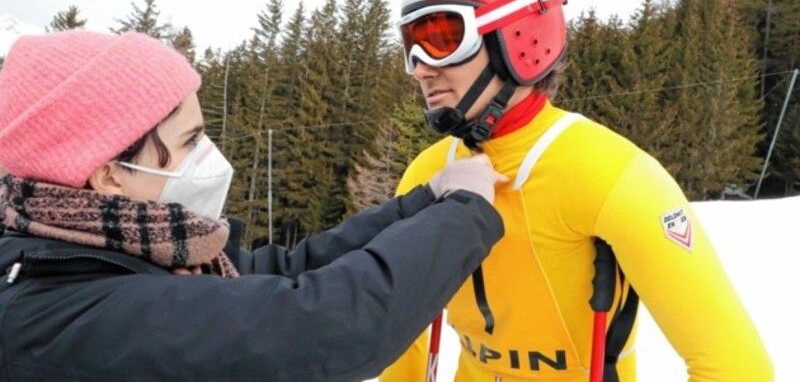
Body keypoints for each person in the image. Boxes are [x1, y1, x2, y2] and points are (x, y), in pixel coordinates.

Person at [0, 30, 507, 382]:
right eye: (190, 140)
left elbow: (284, 269)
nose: (209, 157)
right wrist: (464, 214)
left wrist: (420, 204)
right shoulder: (59, 318)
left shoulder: (97, 252)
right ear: (109, 174)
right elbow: (323, 323)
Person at [380, 0, 773, 382]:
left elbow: (737, 368)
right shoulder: (427, 175)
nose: (419, 68)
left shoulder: (610, 173)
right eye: (411, 43)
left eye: (442, 38)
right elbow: (403, 338)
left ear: (515, 37)